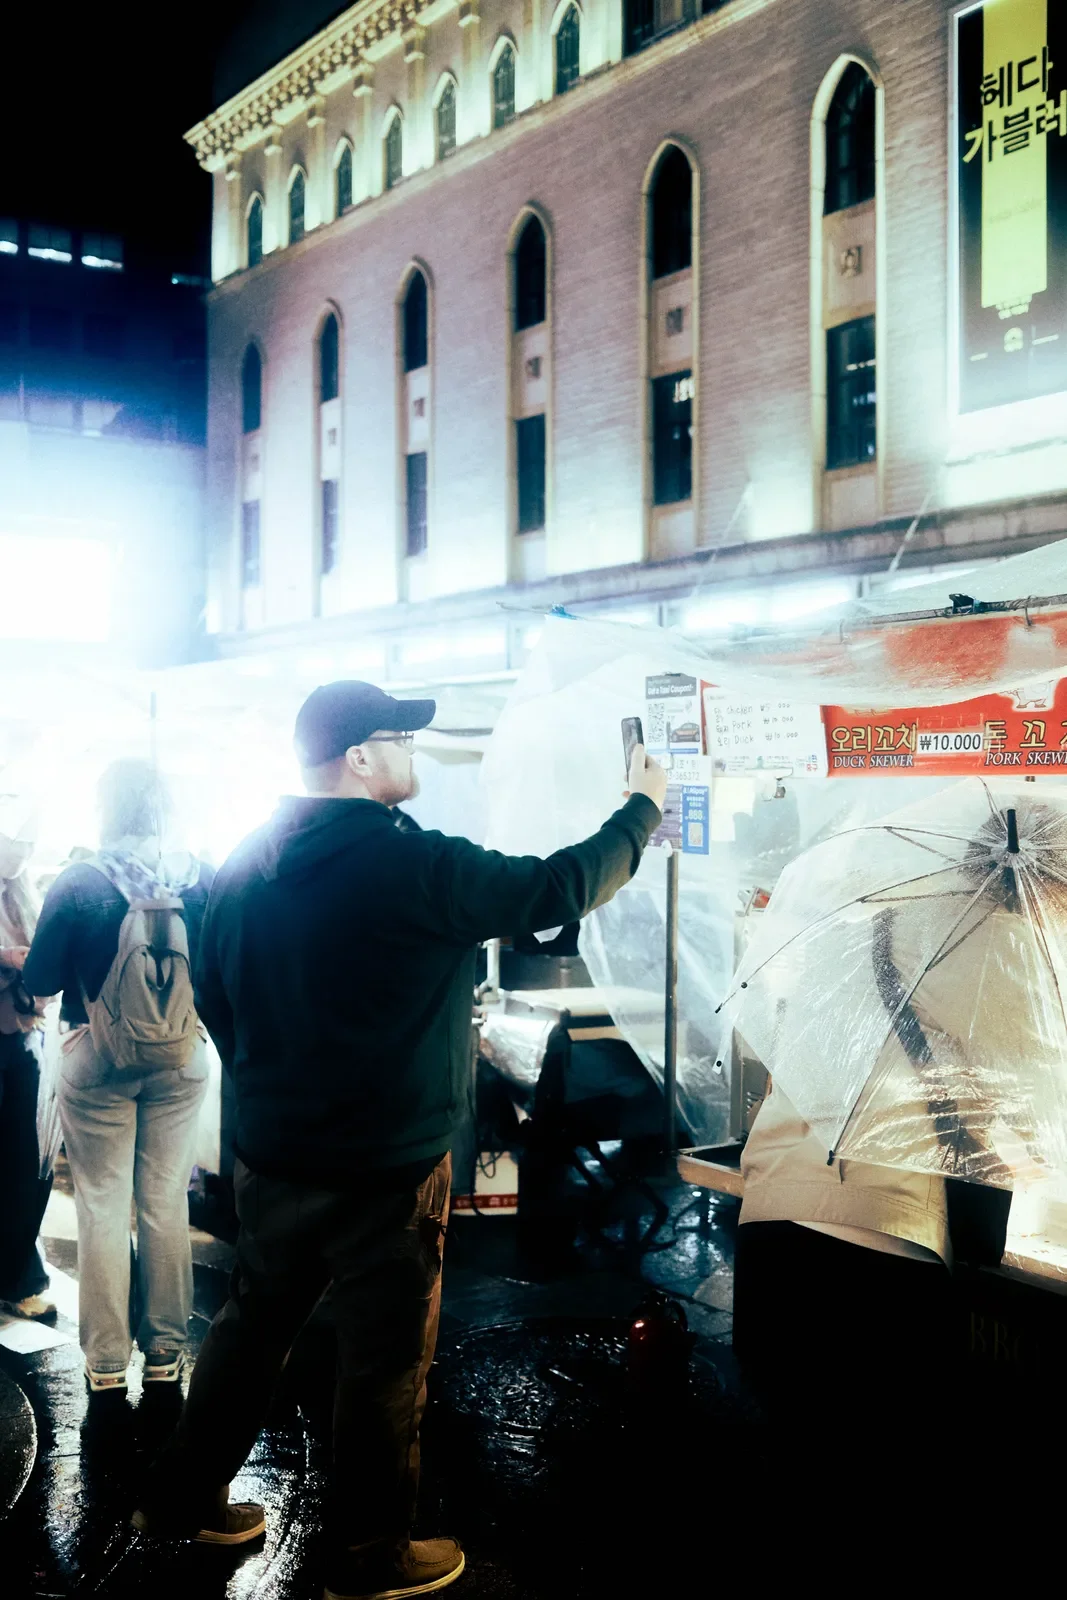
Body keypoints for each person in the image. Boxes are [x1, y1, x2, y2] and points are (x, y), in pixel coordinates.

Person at [133, 680, 667, 1600]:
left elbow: (216, 1002)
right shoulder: (410, 864)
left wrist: (274, 1089)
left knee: (253, 1328)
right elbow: (555, 884)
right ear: (361, 759)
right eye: (402, 742)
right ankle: (368, 1557)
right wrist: (640, 808)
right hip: (387, 1168)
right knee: (383, 1364)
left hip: (274, 1153)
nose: (413, 758)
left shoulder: (240, 861)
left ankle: (179, 1499)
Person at [23, 760, 214, 1394]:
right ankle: (165, 1356)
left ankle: (106, 1365)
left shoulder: (82, 881)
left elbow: (41, 979)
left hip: (97, 1057)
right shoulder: (200, 878)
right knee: (164, 1202)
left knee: (103, 1207)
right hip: (182, 1060)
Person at [0, 827, 55, 1322]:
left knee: (27, 1164)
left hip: (20, 1038)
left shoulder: (22, 894)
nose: (21, 850)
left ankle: (19, 1274)